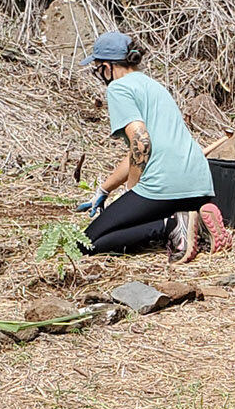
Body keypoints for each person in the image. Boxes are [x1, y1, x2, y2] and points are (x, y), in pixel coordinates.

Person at [79, 32, 226, 260]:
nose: (98, 74)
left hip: (165, 185)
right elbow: (137, 153)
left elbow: (140, 141)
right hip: (199, 185)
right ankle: (197, 224)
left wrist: (131, 189)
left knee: (85, 243)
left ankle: (172, 226)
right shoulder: (152, 85)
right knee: (127, 221)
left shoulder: (119, 88)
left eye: (98, 67)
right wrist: (104, 190)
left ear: (108, 66)